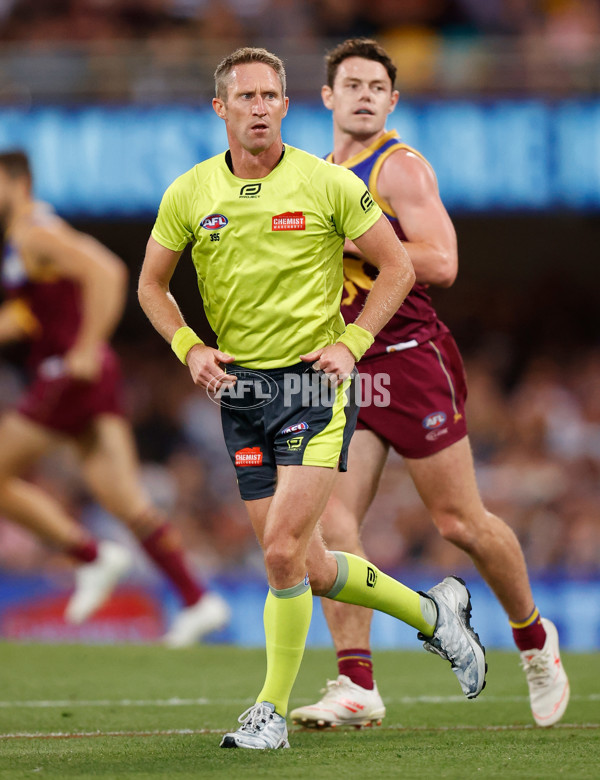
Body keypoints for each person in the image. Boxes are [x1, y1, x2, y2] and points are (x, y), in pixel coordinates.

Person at [138, 46, 487, 751]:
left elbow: (397, 266)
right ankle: (434, 614)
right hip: (240, 391)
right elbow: (151, 286)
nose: (260, 107)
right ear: (222, 108)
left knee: (279, 554)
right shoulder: (188, 193)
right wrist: (190, 349)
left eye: (272, 96)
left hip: (311, 386)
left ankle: (267, 713)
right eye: (247, 97)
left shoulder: (326, 183)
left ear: (287, 105)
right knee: (314, 566)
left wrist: (353, 344)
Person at [289, 38, 569, 731]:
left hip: (411, 358)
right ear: (326, 98)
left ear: (391, 101)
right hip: (345, 365)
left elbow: (440, 261)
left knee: (459, 523)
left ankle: (534, 640)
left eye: (375, 86)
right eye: (349, 84)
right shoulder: (316, 173)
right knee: (330, 523)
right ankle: (357, 684)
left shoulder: (399, 167)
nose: (361, 94)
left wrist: (344, 238)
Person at [0, 150, 230, 648]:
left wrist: (84, 346)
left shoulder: (35, 231)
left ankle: (90, 556)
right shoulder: (21, 242)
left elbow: (107, 272)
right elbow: (28, 317)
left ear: (18, 183)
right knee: (124, 497)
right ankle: (196, 598)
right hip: (85, 373)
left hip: (68, 371)